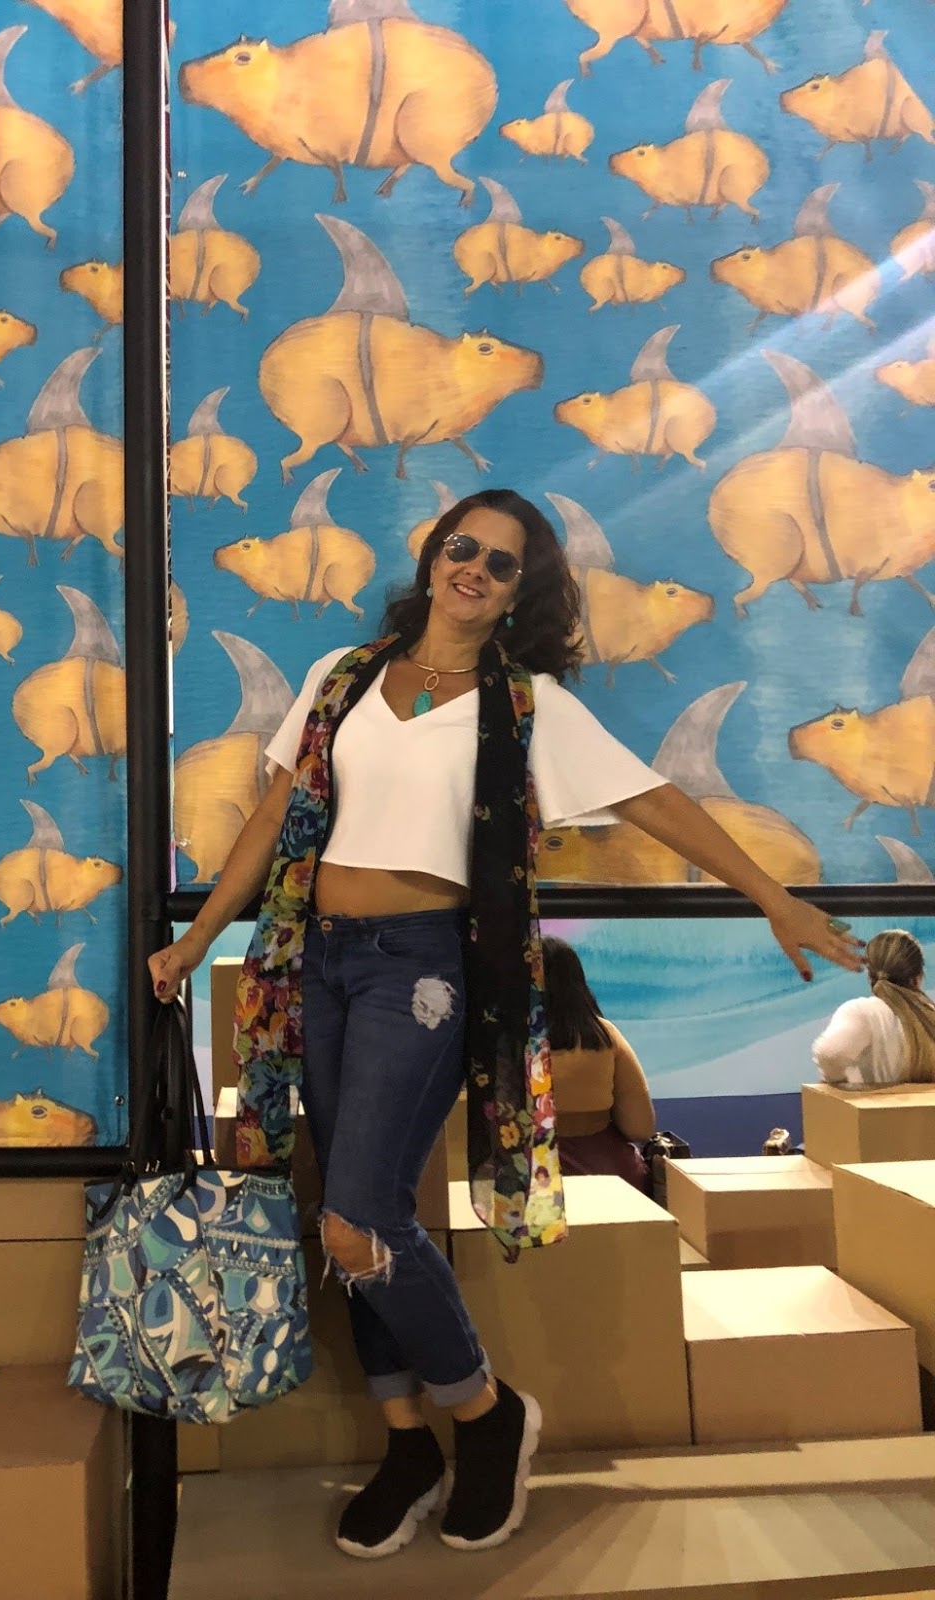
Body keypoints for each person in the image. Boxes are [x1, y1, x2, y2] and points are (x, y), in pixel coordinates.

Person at [150, 488, 863, 1562]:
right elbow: (272, 816)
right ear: (432, 557)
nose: (473, 569)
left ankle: (486, 1414)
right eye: (461, 547)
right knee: (352, 1209)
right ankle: (407, 1443)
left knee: (357, 1220)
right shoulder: (342, 677)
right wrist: (198, 937)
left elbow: (655, 801)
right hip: (318, 963)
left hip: (424, 973)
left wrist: (773, 894)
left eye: (501, 563)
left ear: (522, 593)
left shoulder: (526, 707)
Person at [542, 936, 654, 1191]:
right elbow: (640, 1127)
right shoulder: (605, 1035)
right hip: (612, 1181)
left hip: (533, 1183)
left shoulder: (504, 1041)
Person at [812, 928, 935, 1087]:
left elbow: (830, 1054)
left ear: (871, 976)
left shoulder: (863, 1012)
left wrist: (838, 1084)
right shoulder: (931, 1015)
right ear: (918, 977)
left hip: (875, 1104)